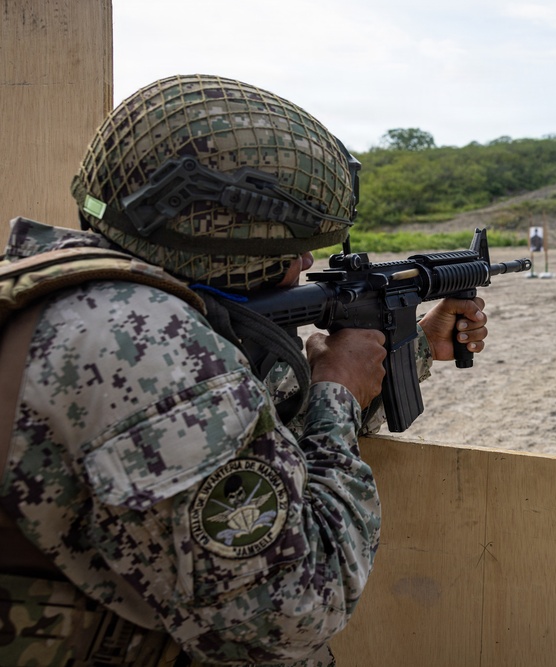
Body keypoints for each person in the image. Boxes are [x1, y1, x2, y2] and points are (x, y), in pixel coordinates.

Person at [0, 74, 488, 666]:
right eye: (292, 246)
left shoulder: (74, 291)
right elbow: (299, 609)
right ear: (226, 245)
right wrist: (336, 392)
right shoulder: (159, 352)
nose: (306, 261)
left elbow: (257, 437)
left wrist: (415, 347)